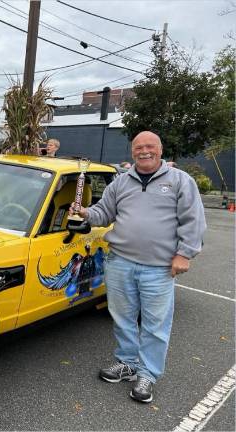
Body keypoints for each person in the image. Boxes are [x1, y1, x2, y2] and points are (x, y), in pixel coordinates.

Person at [69, 131, 206, 404]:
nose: (144, 151)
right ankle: (127, 363)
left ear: (160, 149)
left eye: (150, 146)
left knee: (155, 325)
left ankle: (148, 374)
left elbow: (193, 220)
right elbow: (104, 213)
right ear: (133, 152)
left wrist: (185, 254)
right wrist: (86, 213)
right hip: (120, 261)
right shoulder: (121, 183)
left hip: (159, 267)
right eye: (139, 147)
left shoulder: (180, 181)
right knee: (123, 318)